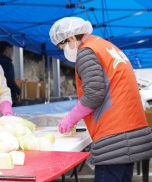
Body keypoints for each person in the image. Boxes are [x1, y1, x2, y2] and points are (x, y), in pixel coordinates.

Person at [49, 17, 152, 182]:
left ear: (71, 38)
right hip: (131, 129)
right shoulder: (105, 46)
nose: (65, 51)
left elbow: (94, 94)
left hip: (114, 135)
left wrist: (71, 118)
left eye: (63, 46)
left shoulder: (86, 51)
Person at [0, 41, 21, 106]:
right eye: (11, 49)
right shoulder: (7, 63)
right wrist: (18, 90)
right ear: (7, 49)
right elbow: (10, 81)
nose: (12, 52)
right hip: (8, 97)